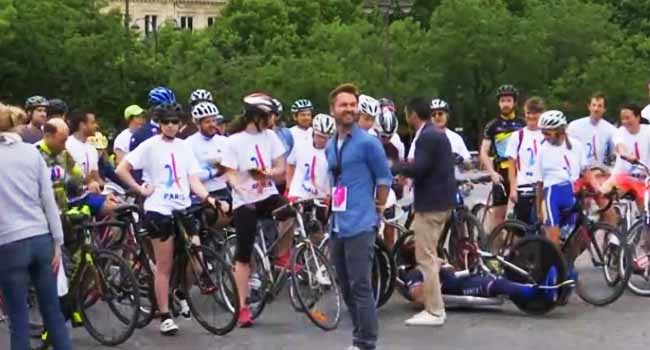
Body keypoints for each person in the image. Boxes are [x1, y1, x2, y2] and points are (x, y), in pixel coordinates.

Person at [116, 103, 223, 336]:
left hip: (182, 207)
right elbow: (121, 168)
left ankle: (181, 291)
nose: (172, 126)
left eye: (175, 122)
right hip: (159, 209)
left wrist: (210, 199)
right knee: (163, 265)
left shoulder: (184, 147)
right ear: (160, 124)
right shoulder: (149, 146)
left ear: (181, 123)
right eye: (167, 122)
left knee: (196, 252)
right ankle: (165, 314)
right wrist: (140, 189)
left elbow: (193, 179)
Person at [0, 105, 72, 350]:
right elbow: (48, 200)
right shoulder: (32, 154)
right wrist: (57, 243)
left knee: (18, 319)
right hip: (41, 238)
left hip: (8, 243)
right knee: (53, 314)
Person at [325, 83, 392, 350]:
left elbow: (384, 178)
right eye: (344, 105)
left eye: (353, 105)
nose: (349, 109)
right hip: (337, 225)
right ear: (333, 110)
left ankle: (366, 343)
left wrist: (377, 210)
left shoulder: (368, 142)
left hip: (360, 223)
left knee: (361, 286)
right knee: (344, 285)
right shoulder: (331, 144)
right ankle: (359, 336)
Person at [220, 93, 295, 328]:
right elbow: (229, 172)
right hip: (244, 200)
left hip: (267, 194)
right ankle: (242, 306)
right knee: (243, 254)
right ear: (256, 117)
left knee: (290, 212)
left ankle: (282, 256)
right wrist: (238, 185)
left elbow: (281, 168)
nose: (272, 120)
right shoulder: (234, 141)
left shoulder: (271, 136)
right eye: (268, 116)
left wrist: (267, 173)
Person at [393, 97, 456, 327]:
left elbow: (420, 168)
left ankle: (435, 310)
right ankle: (441, 291)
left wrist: (397, 165)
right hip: (442, 203)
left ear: (412, 114)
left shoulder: (427, 136)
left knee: (425, 258)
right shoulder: (436, 133)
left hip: (431, 205)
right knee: (431, 254)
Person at [535, 110, 590, 245]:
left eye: (547, 133)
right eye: (543, 132)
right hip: (552, 195)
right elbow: (539, 183)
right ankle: (553, 266)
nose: (544, 136)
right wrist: (538, 210)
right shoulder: (543, 149)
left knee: (573, 237)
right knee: (554, 239)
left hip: (571, 193)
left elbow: (585, 172)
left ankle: (568, 264)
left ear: (559, 130)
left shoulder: (576, 145)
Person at [37, 119, 112, 218]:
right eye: (62, 141)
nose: (64, 146)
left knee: (111, 206)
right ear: (48, 136)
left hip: (69, 202)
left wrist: (90, 182)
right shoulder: (35, 154)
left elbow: (76, 172)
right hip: (45, 209)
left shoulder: (64, 153)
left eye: (66, 141)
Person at [480, 84, 526, 231]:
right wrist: (492, 172)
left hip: (520, 172)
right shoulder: (493, 126)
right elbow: (484, 152)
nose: (505, 104)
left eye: (508, 100)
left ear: (514, 103)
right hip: (501, 172)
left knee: (523, 214)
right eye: (502, 101)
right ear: (499, 103)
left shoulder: (523, 124)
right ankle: (494, 249)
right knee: (499, 216)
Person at [504, 97, 545, 224]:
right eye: (528, 113)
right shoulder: (517, 136)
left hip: (543, 186)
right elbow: (512, 164)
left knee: (543, 224)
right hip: (524, 186)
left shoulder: (547, 135)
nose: (532, 117)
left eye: (535, 114)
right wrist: (513, 188)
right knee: (522, 228)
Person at [601, 103, 650, 209]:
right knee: (604, 192)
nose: (625, 122)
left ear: (637, 117)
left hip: (644, 179)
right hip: (624, 177)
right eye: (622, 119)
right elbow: (620, 147)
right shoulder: (620, 132)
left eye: (628, 118)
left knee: (645, 212)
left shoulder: (647, 131)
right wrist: (627, 155)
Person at [184, 101, 231, 205]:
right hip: (201, 194)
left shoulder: (224, 141)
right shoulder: (188, 144)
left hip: (223, 189)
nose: (213, 125)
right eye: (207, 122)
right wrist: (216, 171)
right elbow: (192, 176)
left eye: (214, 120)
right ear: (198, 123)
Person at [286, 113, 335, 201]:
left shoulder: (333, 153)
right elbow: (290, 164)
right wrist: (288, 186)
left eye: (325, 138)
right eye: (319, 136)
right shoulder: (300, 145)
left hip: (321, 196)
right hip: (298, 194)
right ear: (313, 133)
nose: (321, 140)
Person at [566, 92, 616, 167]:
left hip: (601, 172)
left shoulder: (611, 130)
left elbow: (614, 155)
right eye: (594, 105)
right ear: (589, 107)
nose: (596, 109)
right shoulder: (574, 126)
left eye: (599, 106)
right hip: (579, 171)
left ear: (604, 109)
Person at [65, 110, 104, 192]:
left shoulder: (92, 148)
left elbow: (95, 176)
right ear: (82, 125)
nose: (96, 126)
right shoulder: (67, 145)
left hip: (90, 193)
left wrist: (106, 189)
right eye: (93, 123)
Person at [129, 86, 177, 152]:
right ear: (152, 108)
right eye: (163, 107)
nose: (168, 111)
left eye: (171, 107)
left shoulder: (177, 132)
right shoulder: (141, 135)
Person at [430, 99, 471, 167]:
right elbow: (412, 160)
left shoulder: (456, 138)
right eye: (433, 115)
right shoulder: (421, 137)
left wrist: (461, 160)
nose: (437, 117)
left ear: (447, 115)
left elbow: (468, 161)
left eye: (440, 113)